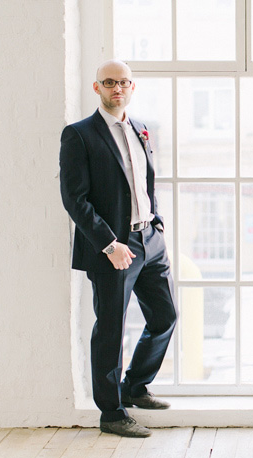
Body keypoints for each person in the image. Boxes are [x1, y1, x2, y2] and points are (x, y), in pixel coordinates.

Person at [60, 59, 177, 438]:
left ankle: (135, 386)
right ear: (97, 88)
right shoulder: (79, 135)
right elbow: (74, 200)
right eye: (109, 82)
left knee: (165, 316)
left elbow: (144, 182)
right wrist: (110, 245)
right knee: (110, 329)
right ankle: (111, 412)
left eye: (124, 82)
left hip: (150, 240)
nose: (117, 88)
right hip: (114, 247)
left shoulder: (141, 128)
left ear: (132, 86)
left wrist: (155, 221)